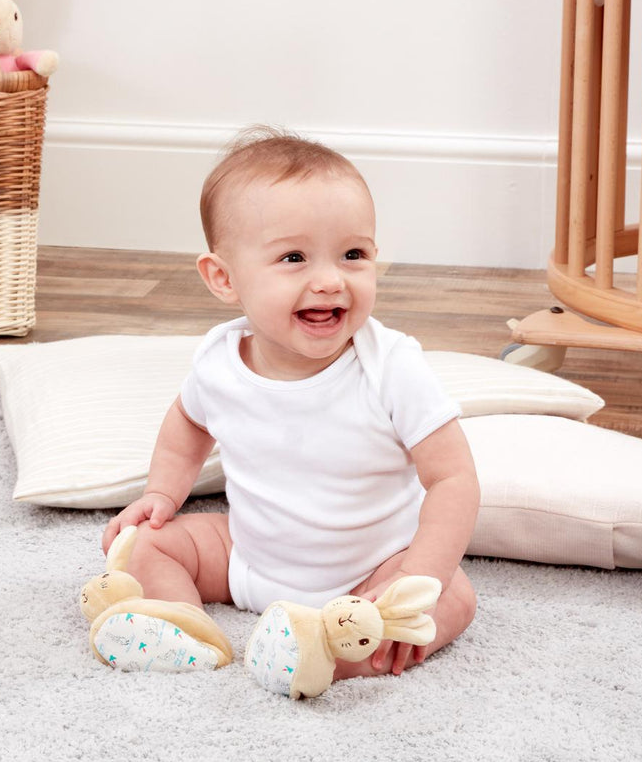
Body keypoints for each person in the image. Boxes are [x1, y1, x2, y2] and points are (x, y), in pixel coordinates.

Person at [97, 126, 479, 686]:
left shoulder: (391, 366)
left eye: (353, 255)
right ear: (224, 278)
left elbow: (454, 478)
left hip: (369, 574)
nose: (329, 280)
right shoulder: (219, 362)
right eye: (294, 257)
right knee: (146, 545)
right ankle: (180, 623)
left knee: (453, 598)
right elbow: (186, 425)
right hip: (248, 561)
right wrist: (161, 493)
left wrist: (421, 576)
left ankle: (322, 654)